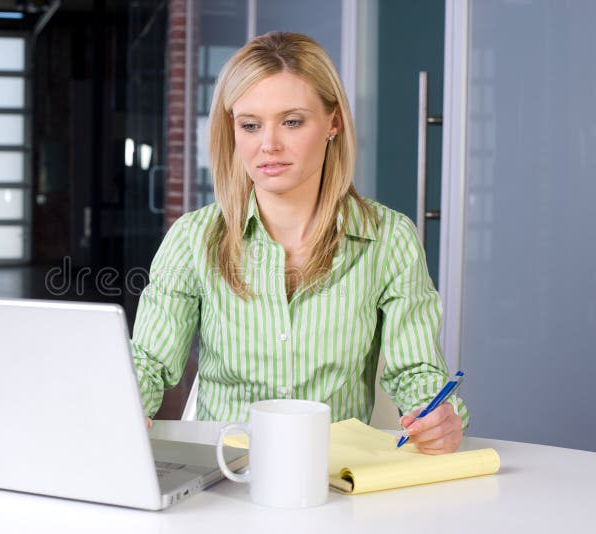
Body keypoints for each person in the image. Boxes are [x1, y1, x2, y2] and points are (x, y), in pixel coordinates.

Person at [131, 31, 467, 454]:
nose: (268, 145)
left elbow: (416, 371)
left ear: (333, 122)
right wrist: (122, 405)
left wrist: (436, 417)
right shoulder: (193, 238)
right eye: (250, 125)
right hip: (228, 474)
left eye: (291, 121)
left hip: (333, 477)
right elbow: (147, 361)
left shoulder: (388, 238)